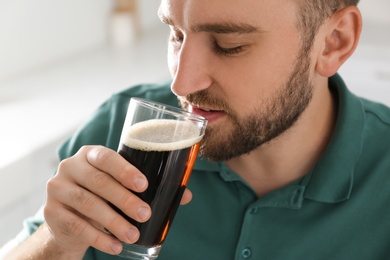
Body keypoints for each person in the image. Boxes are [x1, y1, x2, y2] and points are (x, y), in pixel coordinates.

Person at [1, 0, 390, 259]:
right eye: (176, 35)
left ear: (333, 43)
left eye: (228, 44)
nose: (182, 84)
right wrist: (57, 241)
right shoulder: (120, 125)